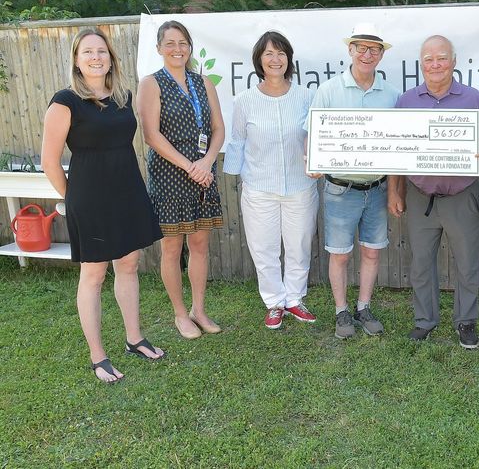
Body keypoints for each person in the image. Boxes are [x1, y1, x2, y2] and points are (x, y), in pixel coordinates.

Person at [41, 28, 165, 383]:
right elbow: (50, 161)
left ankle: (134, 338)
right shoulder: (64, 101)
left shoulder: (124, 96)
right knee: (93, 274)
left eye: (101, 51)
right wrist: (74, 199)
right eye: (87, 52)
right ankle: (98, 356)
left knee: (128, 264)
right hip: (89, 198)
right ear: (77, 61)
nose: (96, 57)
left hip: (127, 189)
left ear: (111, 57)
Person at [387, 35, 479, 349]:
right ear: (421, 64)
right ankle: (425, 321)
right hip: (420, 195)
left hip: (462, 196)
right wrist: (394, 191)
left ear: (454, 61)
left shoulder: (472, 98)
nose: (436, 65)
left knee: (466, 264)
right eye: (429, 59)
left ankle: (466, 322)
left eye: (442, 58)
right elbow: (397, 150)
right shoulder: (407, 101)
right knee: (421, 264)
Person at [308, 23, 400, 339]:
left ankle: (363, 307)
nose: (366, 53)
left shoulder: (390, 94)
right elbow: (314, 136)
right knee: (341, 254)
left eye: (373, 49)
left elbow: (398, 142)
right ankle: (341, 311)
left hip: (376, 189)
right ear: (350, 50)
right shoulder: (329, 90)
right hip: (339, 189)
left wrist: (394, 191)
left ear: (381, 55)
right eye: (360, 47)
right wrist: (313, 160)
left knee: (372, 252)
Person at [223, 31, 318, 330]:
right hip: (259, 188)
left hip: (301, 187)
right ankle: (274, 302)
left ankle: (294, 299)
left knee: (299, 245)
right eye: (268, 54)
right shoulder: (245, 100)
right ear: (259, 60)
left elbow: (316, 138)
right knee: (263, 248)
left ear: (288, 58)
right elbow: (237, 140)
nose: (275, 59)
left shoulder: (306, 96)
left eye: (280, 53)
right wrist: (236, 178)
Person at [137, 20, 225, 339]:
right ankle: (179, 314)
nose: (178, 49)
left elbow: (218, 129)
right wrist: (191, 166)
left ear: (190, 47)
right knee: (172, 248)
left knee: (200, 244)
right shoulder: (152, 83)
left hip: (202, 172)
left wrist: (207, 161)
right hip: (170, 174)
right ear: (159, 48)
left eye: (183, 43)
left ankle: (199, 310)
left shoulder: (204, 84)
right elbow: (151, 135)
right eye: (170, 43)